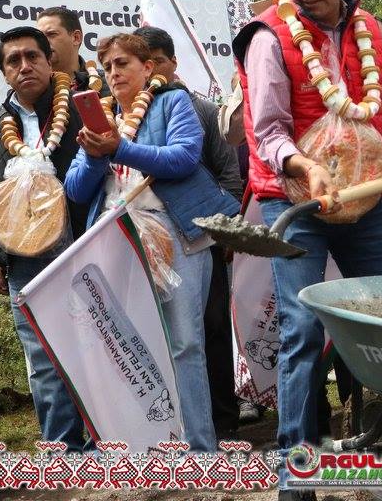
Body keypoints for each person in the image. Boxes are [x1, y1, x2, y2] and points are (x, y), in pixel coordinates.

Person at [233, 0, 382, 498]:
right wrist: (305, 168)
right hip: (294, 201)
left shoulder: (372, 30)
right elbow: (266, 130)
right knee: (302, 328)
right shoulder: (267, 37)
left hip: (362, 199)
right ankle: (296, 478)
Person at [64, 33, 239, 451]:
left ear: (147, 68)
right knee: (128, 344)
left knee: (185, 343)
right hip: (117, 242)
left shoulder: (172, 102)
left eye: (123, 63)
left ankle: (200, 448)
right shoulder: (101, 120)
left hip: (175, 235)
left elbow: (184, 157)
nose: (114, 73)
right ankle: (143, 446)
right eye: (107, 67)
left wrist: (120, 149)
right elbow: (75, 189)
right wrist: (97, 155)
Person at [0, 26, 90, 450]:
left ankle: (106, 445)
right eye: (14, 60)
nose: (24, 66)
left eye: (32, 56)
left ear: (49, 61)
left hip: (81, 247)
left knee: (93, 346)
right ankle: (62, 452)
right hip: (22, 259)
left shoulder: (79, 107)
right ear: (4, 73)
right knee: (43, 360)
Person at [133, 24, 245, 439]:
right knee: (171, 336)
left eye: (158, 62)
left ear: (172, 62)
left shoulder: (197, 107)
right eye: (144, 63)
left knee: (210, 328)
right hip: (154, 240)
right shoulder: (128, 115)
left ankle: (223, 423)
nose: (151, 71)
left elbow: (227, 171)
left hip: (203, 232)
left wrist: (228, 230)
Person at [36, 6, 108, 95]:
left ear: (76, 38)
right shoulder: (31, 87)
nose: (43, 42)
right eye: (40, 37)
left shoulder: (109, 82)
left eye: (51, 34)